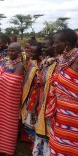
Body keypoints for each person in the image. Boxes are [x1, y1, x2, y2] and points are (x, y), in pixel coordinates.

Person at [46, 28, 78, 156]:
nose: (53, 45)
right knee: (59, 148)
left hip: (74, 118)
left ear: (66, 44)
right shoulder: (63, 60)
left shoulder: (76, 60)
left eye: (56, 42)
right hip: (60, 116)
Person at [0, 43, 24, 156]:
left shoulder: (19, 65)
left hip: (11, 103)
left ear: (19, 52)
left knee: (9, 128)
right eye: (9, 51)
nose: (10, 53)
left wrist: (3, 77)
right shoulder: (6, 63)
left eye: (13, 51)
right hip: (1, 101)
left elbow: (13, 83)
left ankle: (8, 150)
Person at [33, 37, 56, 156]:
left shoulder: (58, 64)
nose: (42, 49)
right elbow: (40, 85)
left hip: (51, 105)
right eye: (42, 47)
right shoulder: (46, 63)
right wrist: (35, 106)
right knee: (41, 131)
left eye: (45, 47)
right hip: (42, 102)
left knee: (50, 133)